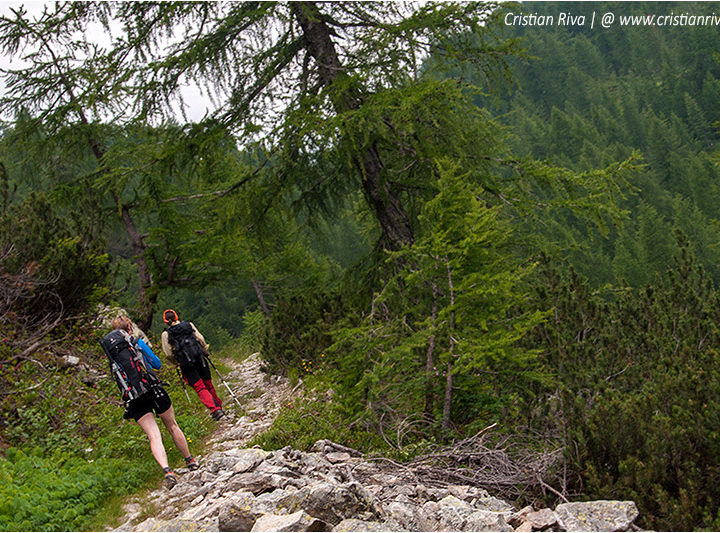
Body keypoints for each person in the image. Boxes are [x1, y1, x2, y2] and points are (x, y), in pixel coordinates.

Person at [100, 315, 199, 489]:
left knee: (153, 435)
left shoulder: (112, 352)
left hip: (134, 396)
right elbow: (157, 364)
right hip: (153, 388)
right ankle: (189, 461)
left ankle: (167, 471)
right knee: (172, 425)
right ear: (129, 328)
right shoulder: (137, 343)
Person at [160, 309, 225, 420]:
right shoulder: (188, 325)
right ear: (176, 317)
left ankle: (215, 409)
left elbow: (168, 353)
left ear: (165, 321)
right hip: (199, 357)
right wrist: (204, 349)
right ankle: (218, 405)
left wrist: (175, 362)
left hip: (185, 363)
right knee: (208, 382)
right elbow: (200, 338)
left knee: (199, 387)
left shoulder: (166, 334)